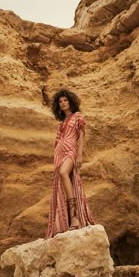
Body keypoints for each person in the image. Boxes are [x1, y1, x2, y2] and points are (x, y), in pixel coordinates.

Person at [45, 89, 94, 238]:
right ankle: (67, 220)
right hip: (59, 153)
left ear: (70, 101)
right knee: (61, 181)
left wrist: (79, 155)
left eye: (65, 100)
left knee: (64, 173)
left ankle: (75, 217)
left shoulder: (77, 116)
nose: (63, 103)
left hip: (71, 151)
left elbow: (81, 136)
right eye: (60, 102)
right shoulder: (61, 124)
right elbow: (57, 142)